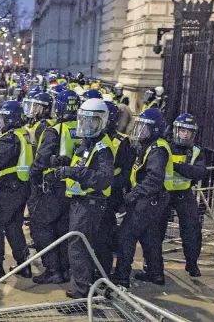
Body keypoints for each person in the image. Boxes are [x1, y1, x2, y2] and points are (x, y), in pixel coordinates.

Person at [53, 98, 115, 298]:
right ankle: (84, 285)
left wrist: (73, 172)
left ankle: (81, 293)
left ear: (102, 122)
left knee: (78, 247)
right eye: (84, 120)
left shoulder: (103, 148)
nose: (87, 126)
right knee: (81, 246)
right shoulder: (88, 142)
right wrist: (64, 163)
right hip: (80, 201)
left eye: (92, 122)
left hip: (91, 203)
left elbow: (103, 179)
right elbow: (82, 165)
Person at [113, 108, 173, 288]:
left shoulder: (157, 149)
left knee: (126, 236)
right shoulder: (149, 146)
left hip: (148, 199)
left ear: (155, 130)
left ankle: (121, 276)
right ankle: (155, 274)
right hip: (154, 200)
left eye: (145, 128)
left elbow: (154, 179)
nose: (141, 131)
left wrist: (133, 194)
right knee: (150, 237)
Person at [29, 90, 81, 284]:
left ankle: (52, 269)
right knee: (62, 229)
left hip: (55, 185)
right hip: (74, 185)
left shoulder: (55, 130)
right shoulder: (82, 127)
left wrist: (32, 175)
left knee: (40, 224)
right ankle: (65, 269)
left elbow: (41, 160)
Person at [0, 100, 33, 281]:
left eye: (1, 118)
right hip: (21, 187)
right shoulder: (23, 133)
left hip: (9, 189)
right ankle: (24, 265)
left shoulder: (10, 138)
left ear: (10, 119)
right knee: (12, 226)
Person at [165, 113, 207, 277]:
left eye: (188, 132)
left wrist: (176, 166)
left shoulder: (196, 151)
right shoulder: (166, 146)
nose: (185, 135)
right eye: (182, 131)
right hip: (165, 193)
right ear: (176, 130)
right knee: (155, 229)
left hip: (184, 193)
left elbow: (200, 172)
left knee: (192, 229)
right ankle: (152, 266)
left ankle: (192, 263)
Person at [94, 101, 133, 277]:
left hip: (110, 194)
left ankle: (103, 270)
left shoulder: (121, 142)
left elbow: (125, 172)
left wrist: (108, 184)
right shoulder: (93, 137)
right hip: (93, 191)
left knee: (103, 236)